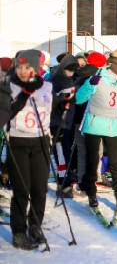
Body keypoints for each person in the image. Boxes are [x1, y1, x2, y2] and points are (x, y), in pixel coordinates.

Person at [0, 50, 65, 250]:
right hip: (17, 141)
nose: (22, 71)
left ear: (36, 69)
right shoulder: (7, 86)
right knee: (22, 190)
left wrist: (64, 105)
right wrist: (25, 94)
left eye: (27, 67)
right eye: (19, 67)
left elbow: (53, 108)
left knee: (39, 189)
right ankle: (18, 232)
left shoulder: (46, 86)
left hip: (41, 141)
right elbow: (6, 114)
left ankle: (35, 225)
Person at [75, 48, 117, 210]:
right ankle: (91, 194)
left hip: (113, 125)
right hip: (94, 123)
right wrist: (89, 86)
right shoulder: (98, 77)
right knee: (93, 160)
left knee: (116, 163)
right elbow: (79, 99)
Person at [67, 51, 107, 198]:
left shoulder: (78, 77)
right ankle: (94, 180)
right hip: (94, 119)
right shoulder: (99, 77)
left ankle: (83, 180)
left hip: (78, 119)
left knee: (82, 151)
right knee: (97, 151)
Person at [48, 54, 78, 186]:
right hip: (58, 121)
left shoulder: (67, 78)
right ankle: (63, 178)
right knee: (60, 151)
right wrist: (62, 103)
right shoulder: (56, 79)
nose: (71, 73)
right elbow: (52, 101)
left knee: (65, 150)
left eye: (73, 70)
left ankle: (66, 174)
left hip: (67, 120)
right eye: (69, 70)